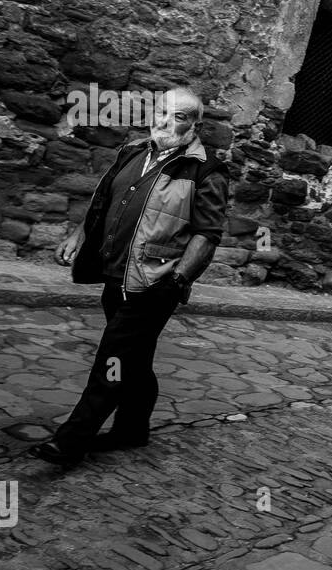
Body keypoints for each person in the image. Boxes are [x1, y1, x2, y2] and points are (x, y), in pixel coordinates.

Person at [32, 87, 230, 466]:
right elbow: (103, 200)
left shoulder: (206, 168)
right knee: (134, 357)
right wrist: (79, 233)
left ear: (195, 124)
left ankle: (71, 440)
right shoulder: (132, 152)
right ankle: (132, 429)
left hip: (156, 282)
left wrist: (177, 281)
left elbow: (207, 235)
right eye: (161, 111)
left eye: (178, 116)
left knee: (114, 358)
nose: (165, 120)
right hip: (116, 274)